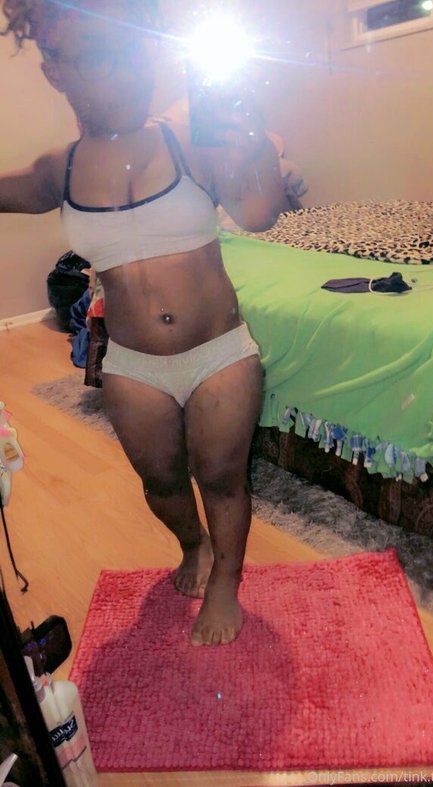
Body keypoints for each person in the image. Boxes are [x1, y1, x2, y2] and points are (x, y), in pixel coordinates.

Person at [0, 0, 288, 645]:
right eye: (104, 58)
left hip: (218, 352)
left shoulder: (190, 140)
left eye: (137, 53)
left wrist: (252, 137)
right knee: (159, 482)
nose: (131, 73)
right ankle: (193, 545)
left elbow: (260, 215)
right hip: (132, 365)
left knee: (222, 478)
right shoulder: (58, 170)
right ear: (56, 72)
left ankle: (226, 581)